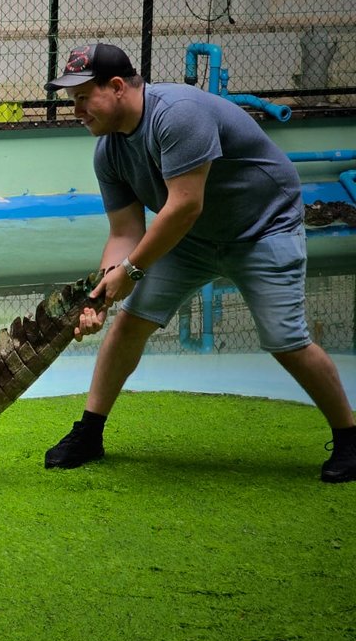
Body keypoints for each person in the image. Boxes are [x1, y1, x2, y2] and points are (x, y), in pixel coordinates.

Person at [42, 42, 355, 483]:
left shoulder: (177, 114)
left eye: (81, 98)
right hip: (191, 238)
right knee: (130, 323)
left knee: (286, 341)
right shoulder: (108, 152)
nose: (75, 111)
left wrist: (131, 271)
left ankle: (350, 437)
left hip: (263, 227)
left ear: (115, 87)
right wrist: (100, 295)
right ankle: (89, 432)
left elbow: (184, 206)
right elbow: (124, 234)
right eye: (70, 101)